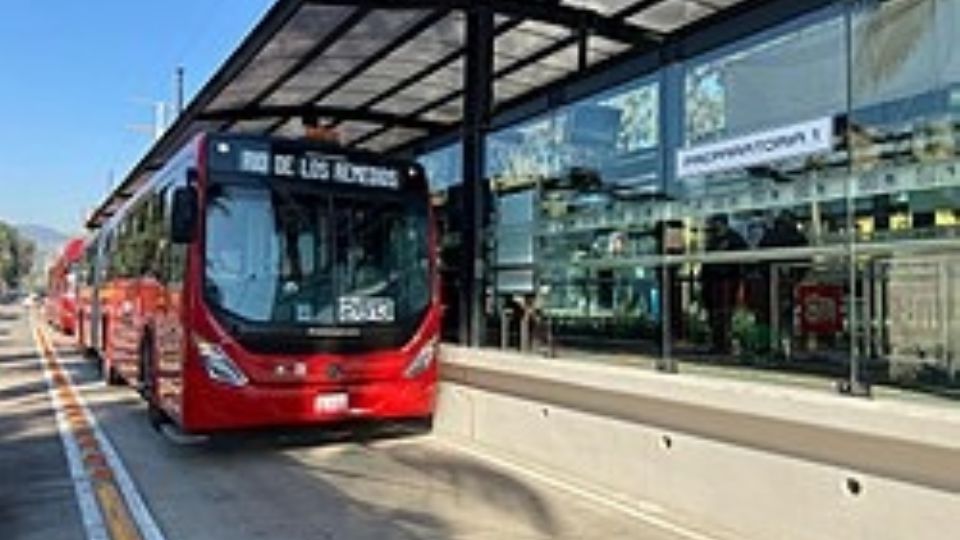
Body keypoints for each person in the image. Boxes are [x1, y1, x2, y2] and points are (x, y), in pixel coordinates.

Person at [701, 215, 747, 355]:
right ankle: (717, 342)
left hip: (728, 279)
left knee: (725, 312)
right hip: (713, 281)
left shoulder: (734, 238)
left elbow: (744, 256)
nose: (714, 226)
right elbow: (706, 261)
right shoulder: (713, 239)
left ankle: (725, 343)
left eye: (716, 223)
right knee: (715, 312)